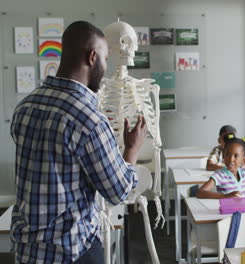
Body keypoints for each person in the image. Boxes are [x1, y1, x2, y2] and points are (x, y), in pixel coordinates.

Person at [10, 21, 147, 264]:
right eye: (105, 58)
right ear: (92, 57)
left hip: (28, 251)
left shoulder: (26, 106)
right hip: (71, 251)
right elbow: (119, 191)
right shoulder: (89, 120)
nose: (105, 67)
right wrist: (132, 148)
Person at [197, 134, 245, 198]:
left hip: (243, 210)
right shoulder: (220, 175)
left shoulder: (244, 173)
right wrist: (225, 196)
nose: (231, 159)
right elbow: (201, 192)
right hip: (226, 211)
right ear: (223, 156)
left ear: (243, 159)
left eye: (236, 156)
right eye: (227, 154)